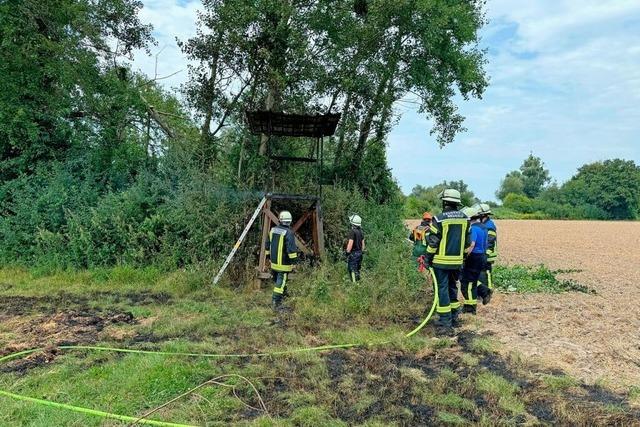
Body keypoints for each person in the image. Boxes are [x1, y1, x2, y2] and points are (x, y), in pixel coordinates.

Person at [425, 189, 470, 333]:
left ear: (444, 202)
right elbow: (467, 243)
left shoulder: (438, 219)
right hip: (457, 262)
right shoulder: (465, 219)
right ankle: (454, 317)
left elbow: (433, 243)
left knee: (442, 289)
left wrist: (427, 258)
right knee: (452, 287)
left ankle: (445, 322)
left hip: (440, 262)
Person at [265, 210, 299, 310]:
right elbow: (291, 250)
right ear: (290, 221)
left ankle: (284, 295)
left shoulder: (273, 230)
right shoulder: (288, 233)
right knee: (280, 282)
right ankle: (276, 302)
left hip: (274, 263)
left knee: (281, 281)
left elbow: (267, 244)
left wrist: (268, 258)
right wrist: (294, 262)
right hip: (283, 264)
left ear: (280, 220)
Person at [460, 205, 488, 315]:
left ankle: (470, 308)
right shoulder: (483, 227)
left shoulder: (473, 229)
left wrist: (464, 256)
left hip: (473, 257)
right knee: (474, 280)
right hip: (481, 256)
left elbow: (471, 245)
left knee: (468, 283)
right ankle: (484, 292)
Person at [477, 203, 496, 304]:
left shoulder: (489, 225)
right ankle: (482, 293)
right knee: (481, 273)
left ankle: (488, 291)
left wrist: (486, 254)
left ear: (482, 215)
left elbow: (490, 241)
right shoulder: (485, 224)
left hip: (488, 255)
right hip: (483, 254)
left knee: (486, 273)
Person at [346, 214, 365, 282]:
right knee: (357, 269)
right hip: (360, 253)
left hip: (353, 254)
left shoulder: (352, 232)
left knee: (352, 269)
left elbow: (350, 243)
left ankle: (354, 285)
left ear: (352, 223)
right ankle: (358, 282)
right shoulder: (361, 232)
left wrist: (347, 252)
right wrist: (361, 251)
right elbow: (363, 245)